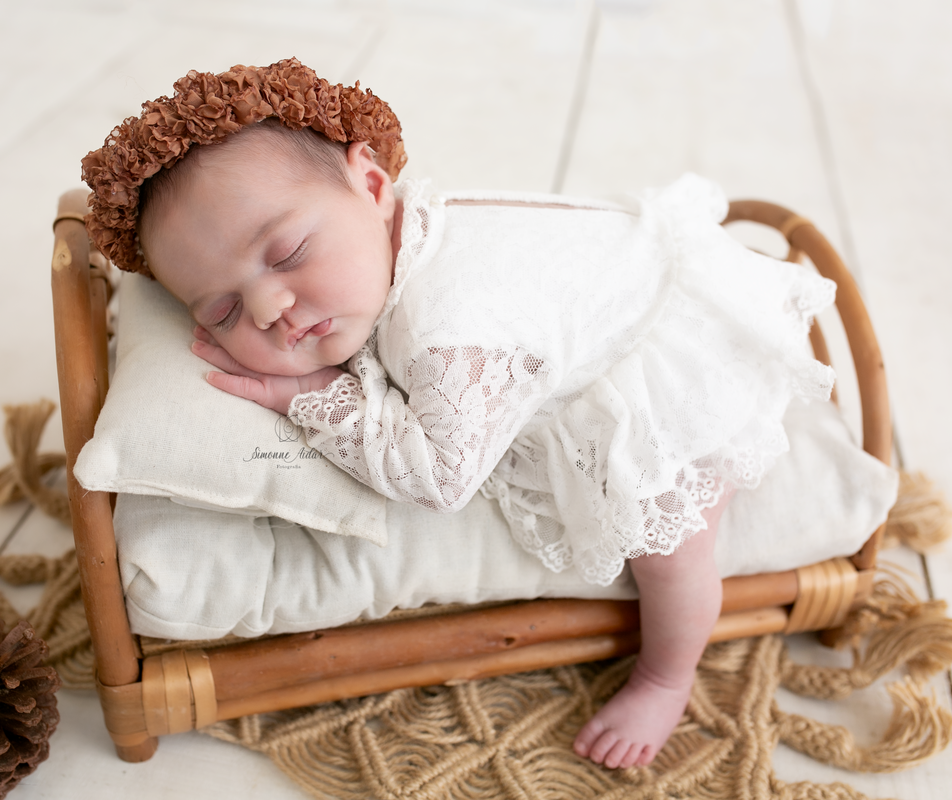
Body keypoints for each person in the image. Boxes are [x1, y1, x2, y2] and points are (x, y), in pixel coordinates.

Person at [82, 60, 835, 770]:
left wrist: (310, 395)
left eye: (287, 254)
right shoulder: (386, 238)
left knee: (668, 541)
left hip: (676, 345)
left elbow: (441, 476)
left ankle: (667, 678)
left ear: (372, 184)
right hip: (614, 277)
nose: (269, 307)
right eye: (222, 310)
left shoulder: (444, 329)